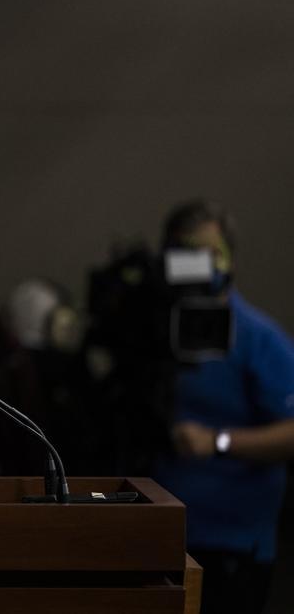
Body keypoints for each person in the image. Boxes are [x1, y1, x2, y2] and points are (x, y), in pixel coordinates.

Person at [152, 200, 294, 614]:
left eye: (210, 253)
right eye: (184, 253)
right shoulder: (153, 333)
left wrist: (219, 441)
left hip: (229, 548)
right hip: (153, 538)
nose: (199, 266)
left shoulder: (257, 337)